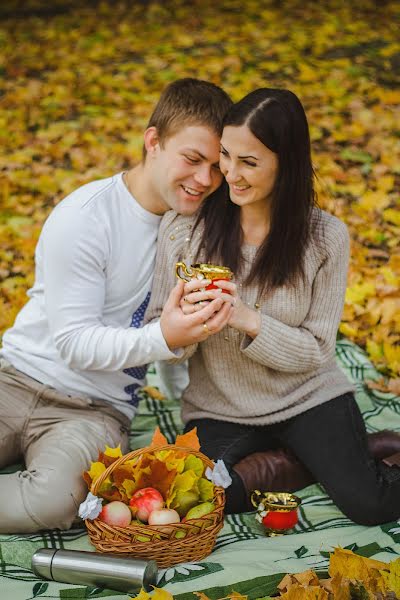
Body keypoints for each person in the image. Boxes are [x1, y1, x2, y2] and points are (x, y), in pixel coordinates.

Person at [145, 88, 400, 526]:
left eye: (249, 162)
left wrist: (246, 319)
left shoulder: (325, 237)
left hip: (307, 397)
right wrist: (183, 327)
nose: (229, 174)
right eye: (226, 156)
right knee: (196, 502)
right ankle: (305, 462)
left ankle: (340, 456)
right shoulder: (185, 230)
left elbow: (317, 351)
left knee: (370, 505)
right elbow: (160, 335)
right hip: (219, 405)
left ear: (287, 163)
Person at [0, 78, 234, 533]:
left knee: (55, 503)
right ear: (153, 141)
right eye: (191, 159)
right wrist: (164, 339)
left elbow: (179, 335)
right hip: (14, 379)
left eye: (215, 166)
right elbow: (74, 343)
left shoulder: (198, 232)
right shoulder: (86, 215)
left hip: (93, 411)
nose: (205, 180)